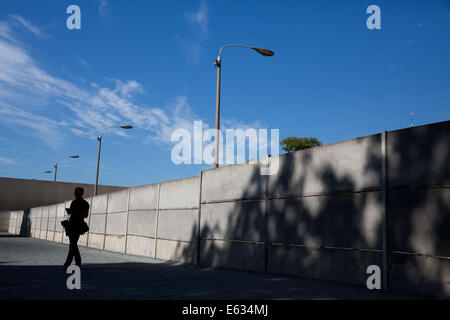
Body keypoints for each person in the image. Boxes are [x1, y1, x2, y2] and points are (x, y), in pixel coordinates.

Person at [64, 187, 89, 271]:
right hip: (71, 225)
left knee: (72, 245)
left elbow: (85, 215)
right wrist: (69, 212)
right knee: (73, 245)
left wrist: (73, 212)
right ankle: (76, 262)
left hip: (78, 226)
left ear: (81, 194)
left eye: (77, 193)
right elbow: (71, 212)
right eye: (75, 193)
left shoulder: (85, 203)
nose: (75, 195)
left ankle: (70, 263)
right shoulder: (73, 202)